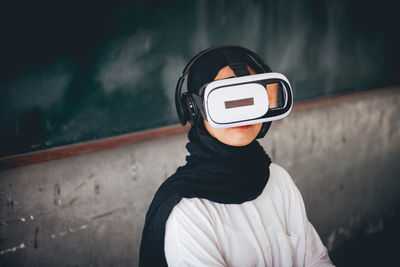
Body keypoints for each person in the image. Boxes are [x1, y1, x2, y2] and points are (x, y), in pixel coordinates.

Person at [139, 45, 334, 266]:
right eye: (227, 101)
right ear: (193, 109)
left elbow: (316, 259)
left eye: (250, 97)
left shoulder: (279, 180)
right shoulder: (188, 213)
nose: (243, 115)